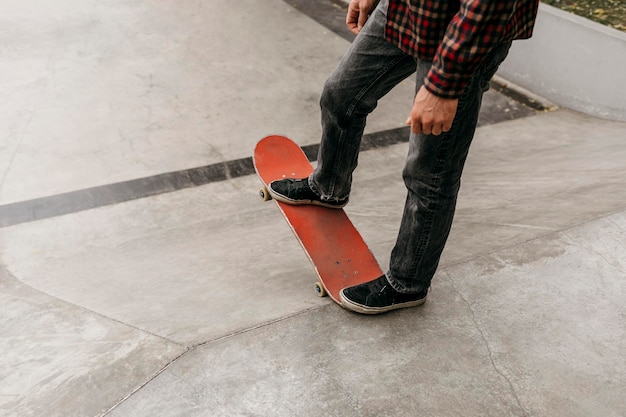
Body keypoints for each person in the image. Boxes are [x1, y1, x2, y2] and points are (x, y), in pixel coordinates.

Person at [269, 0, 539, 314]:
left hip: (464, 34)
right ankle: (328, 186)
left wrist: (443, 86)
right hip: (407, 9)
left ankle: (407, 282)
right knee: (341, 95)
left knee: (430, 169)